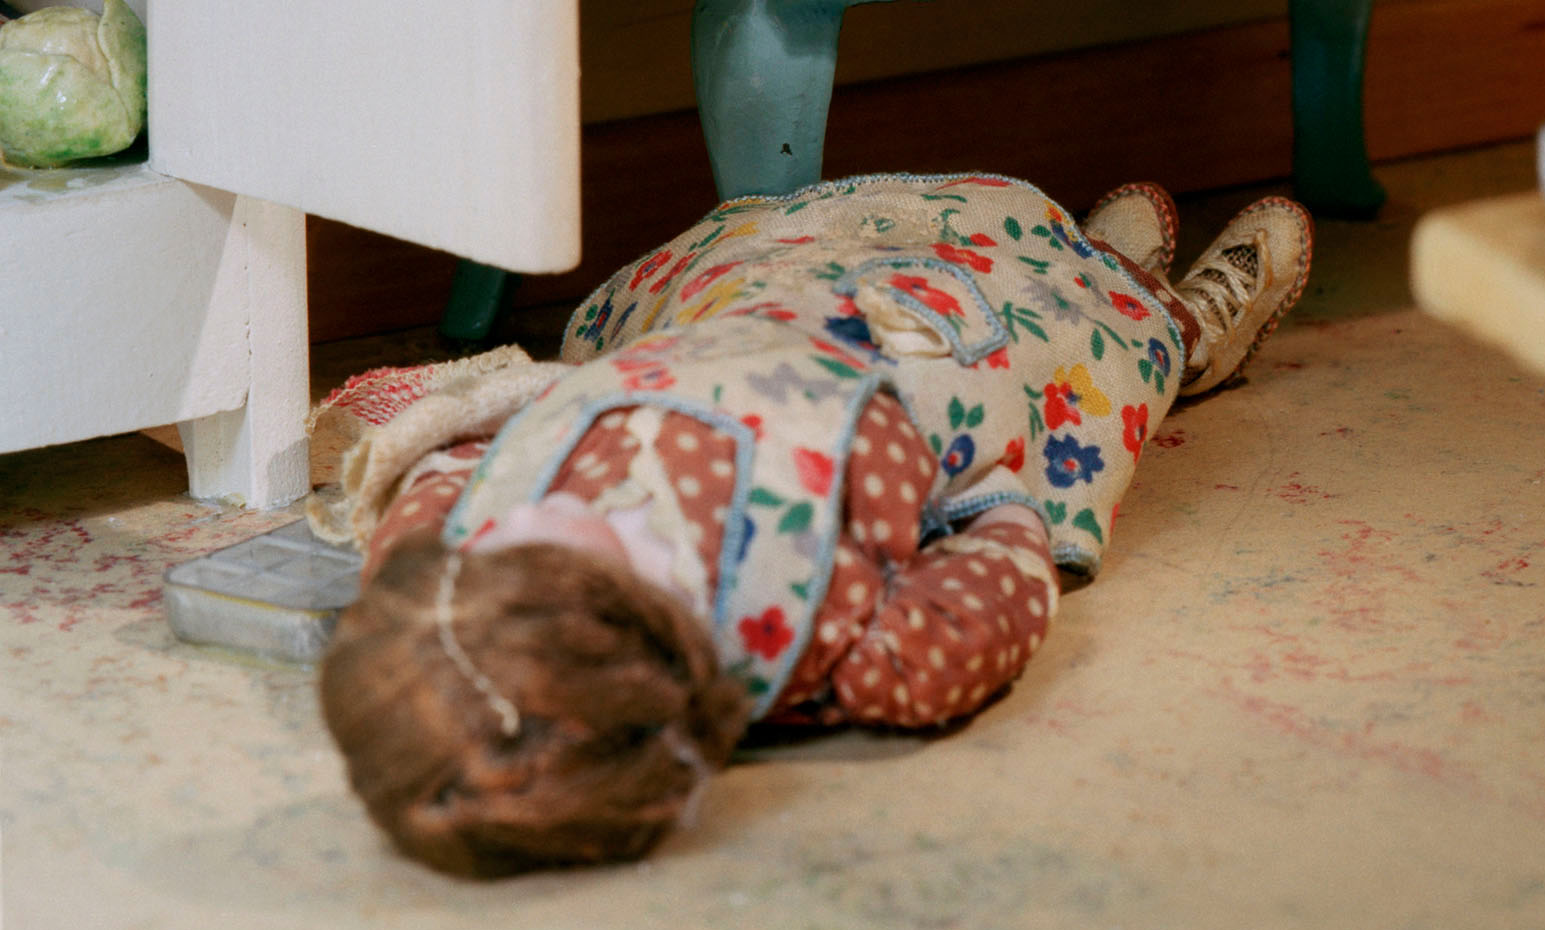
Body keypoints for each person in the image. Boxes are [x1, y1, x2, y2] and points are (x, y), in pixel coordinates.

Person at [315, 173, 1309, 878]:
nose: (557, 511)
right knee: (1052, 363)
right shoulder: (826, 643)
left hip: (752, 325)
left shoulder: (439, 578)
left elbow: (439, 476)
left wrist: (454, 439)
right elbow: (980, 611)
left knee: (840, 256)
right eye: (591, 543)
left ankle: (1074, 255)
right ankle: (1163, 328)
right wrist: (994, 510)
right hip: (919, 389)